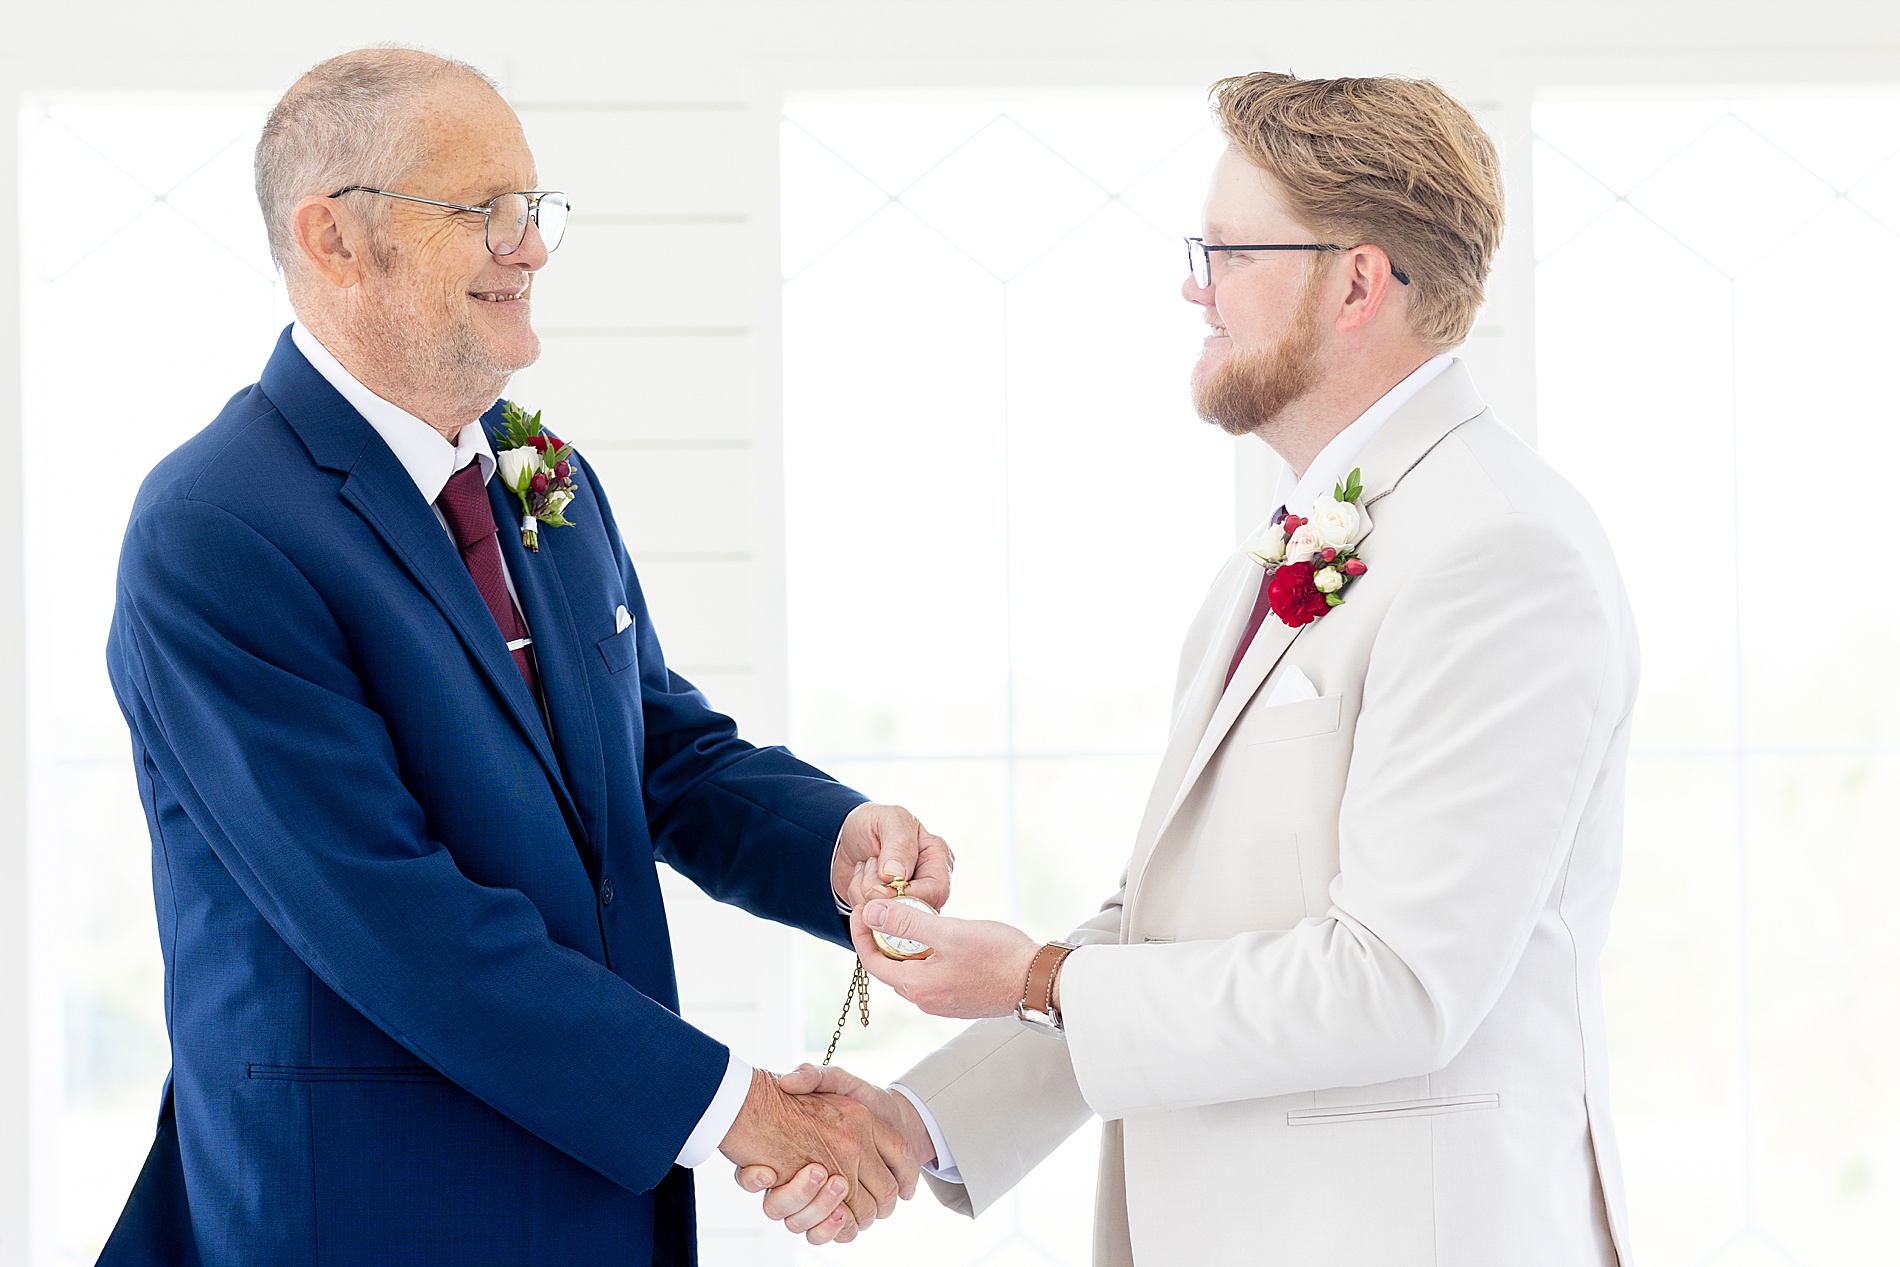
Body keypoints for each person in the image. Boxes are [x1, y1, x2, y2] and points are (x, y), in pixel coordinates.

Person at [747, 71, 1639, 1266]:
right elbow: (1163, 937)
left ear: (1357, 281)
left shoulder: (1498, 552)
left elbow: (1397, 983)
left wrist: (1041, 976)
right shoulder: (1277, 555)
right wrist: (917, 1122)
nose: (1192, 283)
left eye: (1225, 250)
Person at [100, 47, 944, 1267]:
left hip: (599, 1204)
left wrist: (835, 843)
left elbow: (654, 749)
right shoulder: (215, 528)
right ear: (334, 238)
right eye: (483, 212)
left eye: (536, 209)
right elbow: (393, 916)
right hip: (367, 1218)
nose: (532, 246)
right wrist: (739, 1111)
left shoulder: (544, 477)